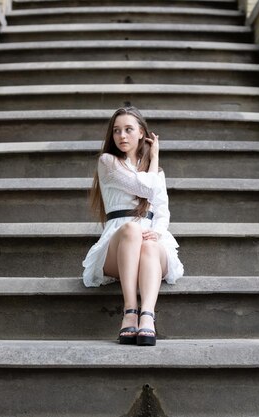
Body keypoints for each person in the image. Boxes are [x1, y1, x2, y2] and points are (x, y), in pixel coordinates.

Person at [82, 107, 184, 346]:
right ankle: (130, 311)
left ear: (141, 133)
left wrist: (157, 233)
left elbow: (162, 211)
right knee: (131, 229)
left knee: (149, 244)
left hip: (150, 242)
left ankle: (147, 316)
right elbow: (146, 189)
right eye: (116, 131)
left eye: (129, 129)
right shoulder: (108, 162)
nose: (122, 136)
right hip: (119, 245)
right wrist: (155, 157)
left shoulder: (155, 172)